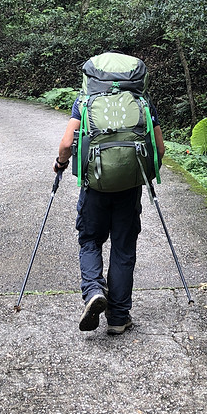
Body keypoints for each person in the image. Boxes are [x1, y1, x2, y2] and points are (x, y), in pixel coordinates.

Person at [54, 95, 164, 336]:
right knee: (123, 248)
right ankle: (118, 317)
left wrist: (60, 164)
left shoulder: (84, 102)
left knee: (90, 241)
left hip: (94, 188)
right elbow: (159, 148)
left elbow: (65, 145)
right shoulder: (142, 102)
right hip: (129, 189)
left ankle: (94, 291)